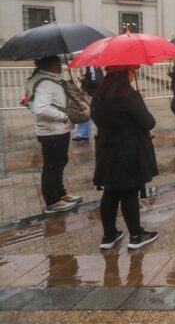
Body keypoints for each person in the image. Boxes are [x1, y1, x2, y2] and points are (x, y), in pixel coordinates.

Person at [91, 66, 159, 250]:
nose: (134, 72)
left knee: (110, 191)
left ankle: (109, 235)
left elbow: (95, 119)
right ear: (125, 73)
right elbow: (148, 122)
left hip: (107, 150)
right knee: (129, 192)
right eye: (132, 69)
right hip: (129, 151)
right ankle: (136, 235)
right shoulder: (129, 95)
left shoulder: (99, 96)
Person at [26, 56, 82, 214]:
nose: (60, 66)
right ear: (48, 65)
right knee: (52, 165)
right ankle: (52, 201)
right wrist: (63, 117)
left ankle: (60, 194)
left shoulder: (45, 80)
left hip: (57, 130)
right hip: (53, 131)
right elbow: (40, 108)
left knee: (59, 162)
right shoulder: (45, 83)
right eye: (57, 64)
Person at [72, 66, 103, 142]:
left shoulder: (92, 67)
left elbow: (96, 81)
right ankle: (83, 134)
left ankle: (83, 134)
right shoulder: (95, 67)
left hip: (91, 94)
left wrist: (83, 80)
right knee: (88, 112)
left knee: (88, 112)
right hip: (93, 94)